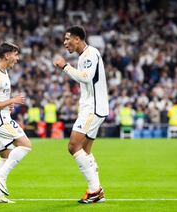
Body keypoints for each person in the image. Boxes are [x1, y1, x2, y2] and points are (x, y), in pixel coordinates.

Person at [53, 26, 108, 203]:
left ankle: (95, 190)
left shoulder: (91, 53)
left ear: (77, 39)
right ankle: (96, 191)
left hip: (93, 108)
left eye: (67, 39)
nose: (65, 42)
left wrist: (65, 67)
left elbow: (85, 77)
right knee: (84, 150)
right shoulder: (83, 56)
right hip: (91, 107)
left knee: (73, 146)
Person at [0, 42, 32, 203]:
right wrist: (12, 100)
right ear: (7, 55)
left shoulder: (2, 71)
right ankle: (0, 177)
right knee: (25, 145)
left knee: (5, 157)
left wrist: (7, 103)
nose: (17, 58)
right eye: (15, 54)